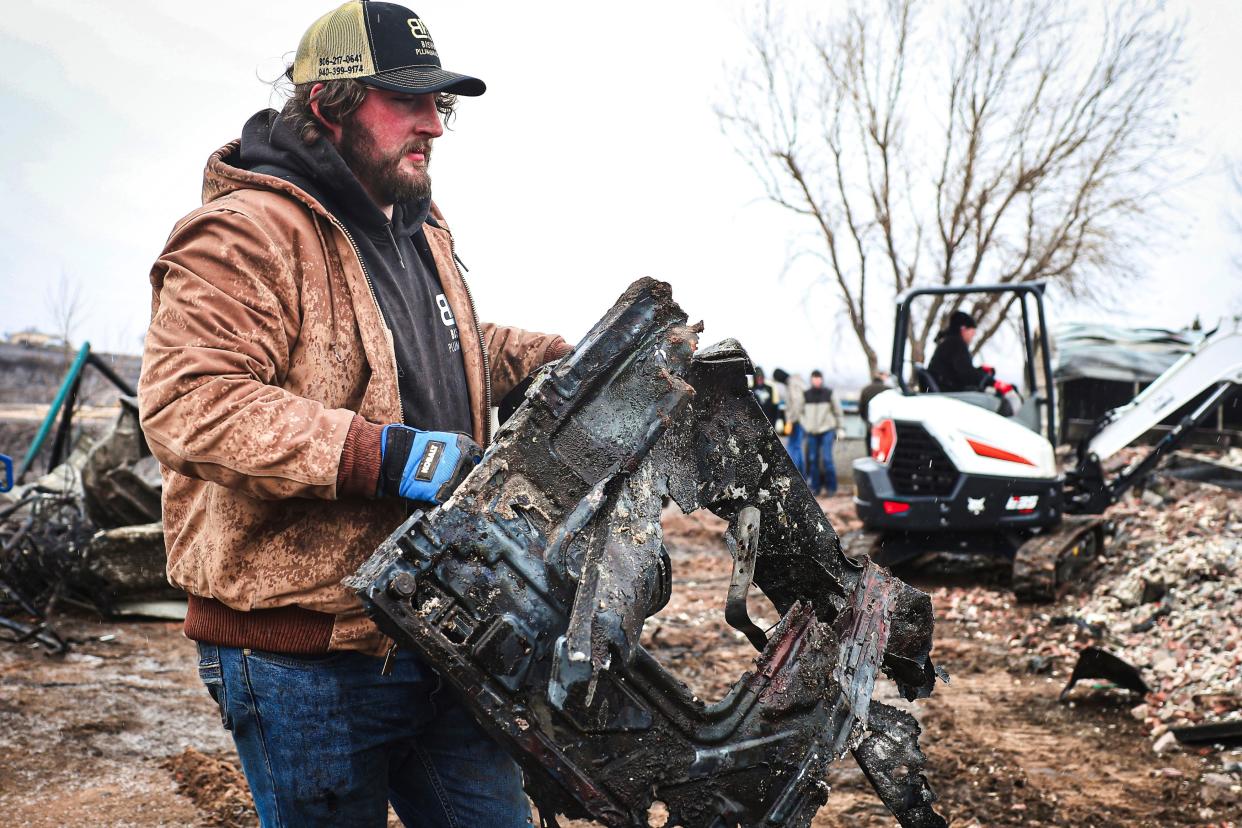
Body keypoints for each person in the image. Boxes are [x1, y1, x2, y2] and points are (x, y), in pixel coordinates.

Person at [137, 4, 570, 824]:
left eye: (441, 104)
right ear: (330, 102)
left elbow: (431, 344)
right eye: (407, 100)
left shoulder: (413, 224)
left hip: (434, 630)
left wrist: (557, 360)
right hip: (304, 655)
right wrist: (393, 457)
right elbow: (193, 400)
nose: (433, 125)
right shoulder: (244, 232)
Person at [926, 310, 1013, 397]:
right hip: (949, 394)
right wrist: (994, 383)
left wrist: (981, 370)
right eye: (972, 332)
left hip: (946, 390)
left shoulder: (948, 342)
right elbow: (967, 375)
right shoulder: (956, 344)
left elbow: (961, 370)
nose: (973, 335)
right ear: (963, 329)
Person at [802, 370, 844, 496]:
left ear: (822, 379)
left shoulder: (829, 393)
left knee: (827, 459)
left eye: (819, 378)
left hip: (827, 429)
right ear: (811, 379)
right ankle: (816, 487)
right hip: (812, 431)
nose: (817, 380)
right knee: (813, 459)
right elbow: (800, 412)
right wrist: (806, 425)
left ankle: (832, 487)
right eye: (814, 378)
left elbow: (838, 411)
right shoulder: (806, 394)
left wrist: (840, 428)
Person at [772, 368, 806, 478]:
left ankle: (793, 474)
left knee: (793, 447)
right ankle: (802, 475)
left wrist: (790, 420)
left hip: (797, 420)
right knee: (798, 448)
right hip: (800, 419)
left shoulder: (792, 384)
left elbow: (796, 403)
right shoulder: (795, 382)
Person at [858, 371, 892, 450]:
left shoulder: (866, 389)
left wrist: (865, 419)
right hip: (885, 422)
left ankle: (871, 457)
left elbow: (861, 407)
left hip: (870, 422)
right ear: (882, 376)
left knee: (870, 443)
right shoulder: (888, 389)